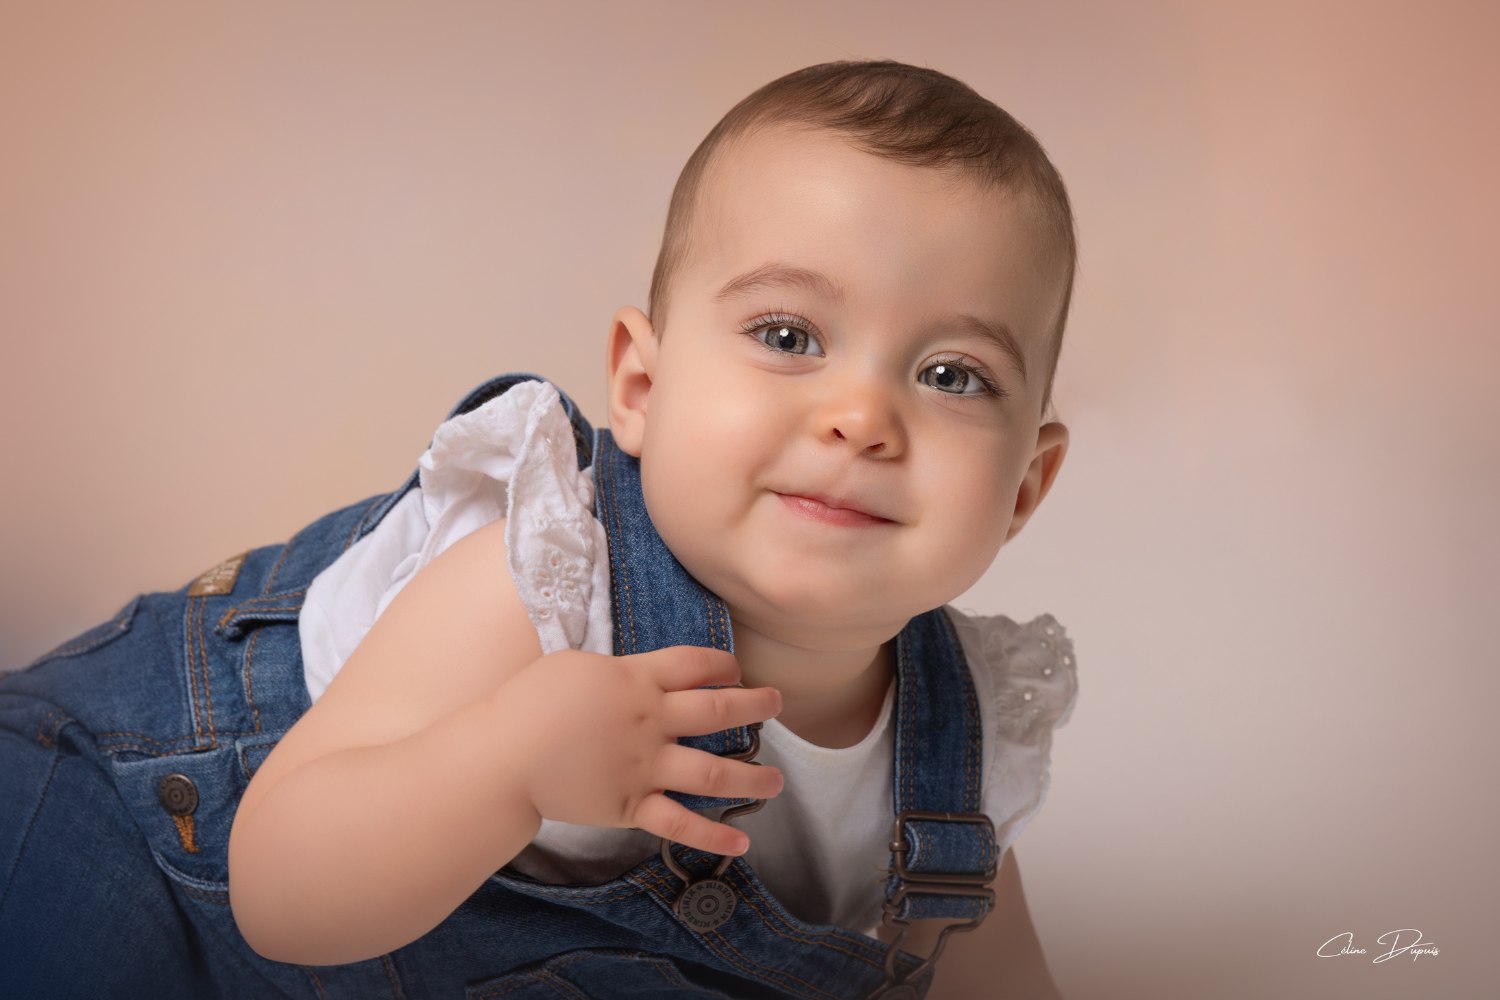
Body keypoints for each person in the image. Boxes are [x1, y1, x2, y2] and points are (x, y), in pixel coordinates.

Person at [0, 59, 1079, 999]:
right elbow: (279, 892)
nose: (861, 417)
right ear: (642, 388)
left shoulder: (963, 757)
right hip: (132, 820)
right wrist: (506, 766)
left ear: (1026, 489)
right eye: (790, 334)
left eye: (952, 374)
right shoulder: (549, 588)